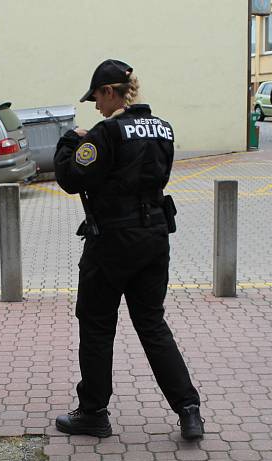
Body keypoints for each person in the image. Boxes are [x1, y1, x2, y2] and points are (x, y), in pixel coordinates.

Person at [53, 59, 203, 440]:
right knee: (152, 324)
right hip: (155, 237)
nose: (96, 107)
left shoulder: (106, 132)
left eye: (97, 98)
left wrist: (72, 140)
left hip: (112, 244)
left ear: (109, 92)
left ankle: (93, 413)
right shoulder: (162, 128)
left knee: (98, 325)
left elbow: (71, 177)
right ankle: (189, 410)